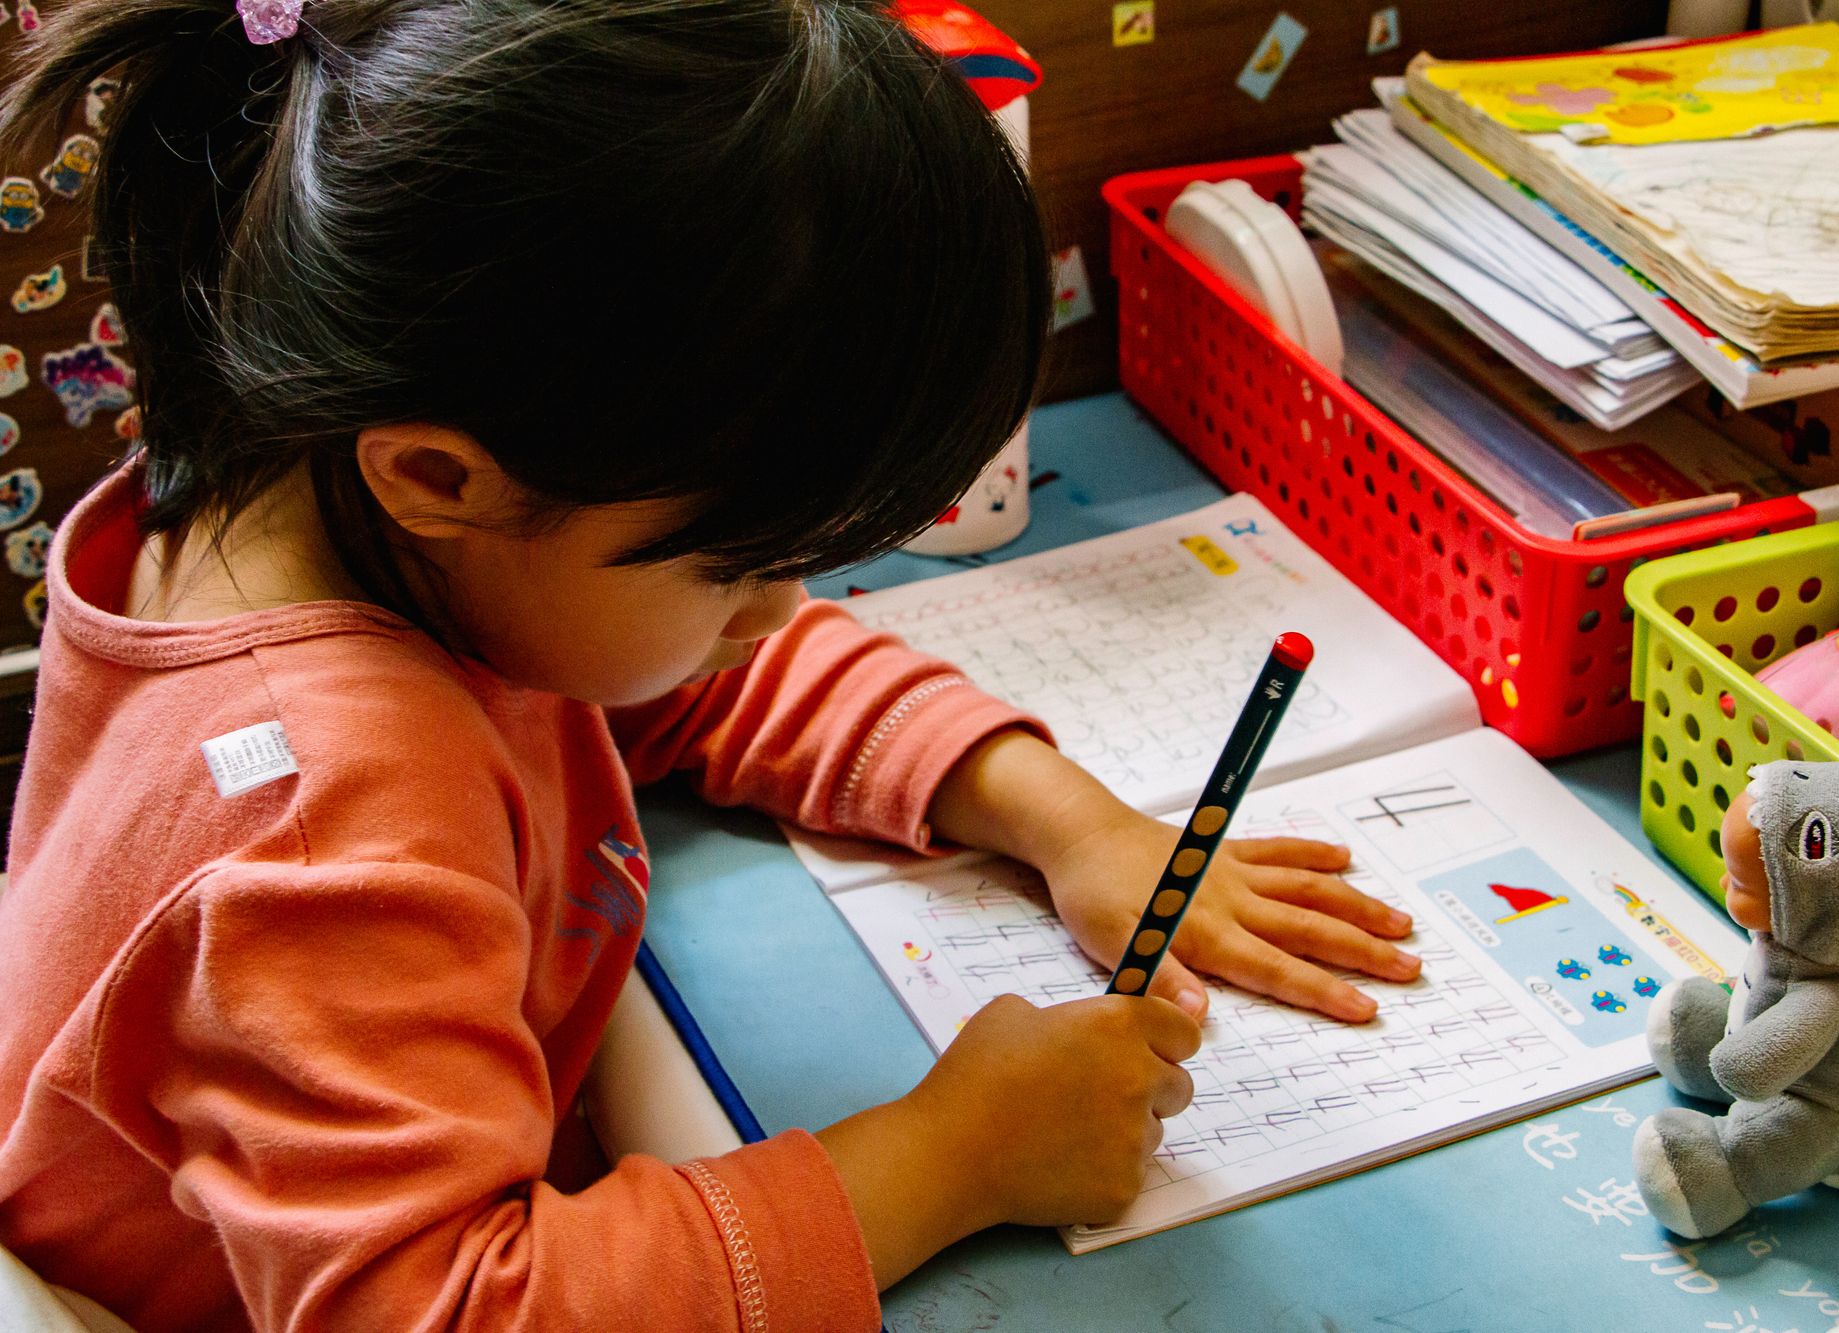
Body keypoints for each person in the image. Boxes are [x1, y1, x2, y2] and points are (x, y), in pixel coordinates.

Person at [0, 2, 1420, 1327]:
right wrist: (951, 1153)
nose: (781, 605)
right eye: (736, 563)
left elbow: (702, 670)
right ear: (440, 472)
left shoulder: (318, 486)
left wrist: (1064, 818)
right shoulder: (329, 826)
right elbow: (459, 1307)